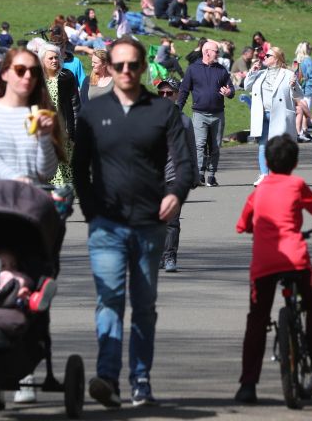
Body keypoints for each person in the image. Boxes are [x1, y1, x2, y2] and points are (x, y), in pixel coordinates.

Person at [72, 37, 193, 409]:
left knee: (143, 305)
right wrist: (92, 212)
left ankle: (140, 378)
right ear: (110, 66)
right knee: (109, 299)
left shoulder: (163, 111)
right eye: (118, 65)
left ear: (143, 69)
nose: (125, 71)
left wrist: (175, 194)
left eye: (132, 65)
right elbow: (80, 167)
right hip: (106, 225)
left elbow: (185, 165)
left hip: (148, 224)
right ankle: (107, 377)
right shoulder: (93, 112)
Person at [233, 135, 312, 404]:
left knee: (257, 320)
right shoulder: (297, 185)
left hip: (264, 263)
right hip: (295, 259)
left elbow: (242, 224)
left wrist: (252, 227)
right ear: (295, 162)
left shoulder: (258, 191)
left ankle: (248, 384)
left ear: (267, 162)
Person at [0, 48, 63, 184]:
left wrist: (44, 137)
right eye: (20, 70)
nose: (28, 76)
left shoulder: (41, 113)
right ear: (5, 74)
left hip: (31, 200)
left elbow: (47, 173)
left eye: (34, 71)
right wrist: (17, 179)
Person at [176, 40, 235, 187]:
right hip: (200, 114)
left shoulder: (221, 70)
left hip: (218, 114)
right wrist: (178, 108)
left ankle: (212, 175)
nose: (218, 54)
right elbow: (184, 90)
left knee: (215, 146)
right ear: (206, 51)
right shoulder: (193, 69)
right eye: (216, 51)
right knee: (199, 145)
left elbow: (231, 89)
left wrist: (229, 92)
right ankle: (200, 174)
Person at [156, 78, 199, 272]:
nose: (164, 96)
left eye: (169, 93)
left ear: (176, 95)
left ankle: (170, 256)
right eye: (161, 93)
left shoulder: (184, 121)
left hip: (175, 178)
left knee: (171, 221)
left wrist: (194, 175)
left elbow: (191, 149)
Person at [244, 47, 303, 186]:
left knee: (280, 147)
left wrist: (294, 85)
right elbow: (246, 86)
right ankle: (265, 175)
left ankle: (280, 176)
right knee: (263, 145)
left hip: (280, 114)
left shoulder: (288, 74)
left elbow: (298, 95)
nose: (264, 57)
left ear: (276, 58)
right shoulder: (260, 73)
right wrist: (252, 71)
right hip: (263, 114)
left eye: (268, 55)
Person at [39, 43, 80, 186]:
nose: (54, 61)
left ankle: (63, 194)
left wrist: (74, 130)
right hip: (43, 129)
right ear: (43, 60)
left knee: (63, 165)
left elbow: (75, 105)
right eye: (50, 58)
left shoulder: (66, 77)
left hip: (63, 129)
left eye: (56, 57)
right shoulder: (37, 80)